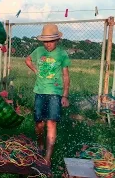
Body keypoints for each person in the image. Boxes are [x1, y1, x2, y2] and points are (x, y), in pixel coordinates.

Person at [25, 24, 71, 166]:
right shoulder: (38, 51)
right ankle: (40, 144)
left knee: (51, 123)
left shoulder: (62, 54)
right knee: (39, 123)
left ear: (57, 40)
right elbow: (27, 60)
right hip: (39, 91)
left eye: (51, 41)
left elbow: (66, 75)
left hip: (55, 93)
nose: (48, 44)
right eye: (45, 41)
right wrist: (35, 70)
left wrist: (65, 95)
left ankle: (47, 158)